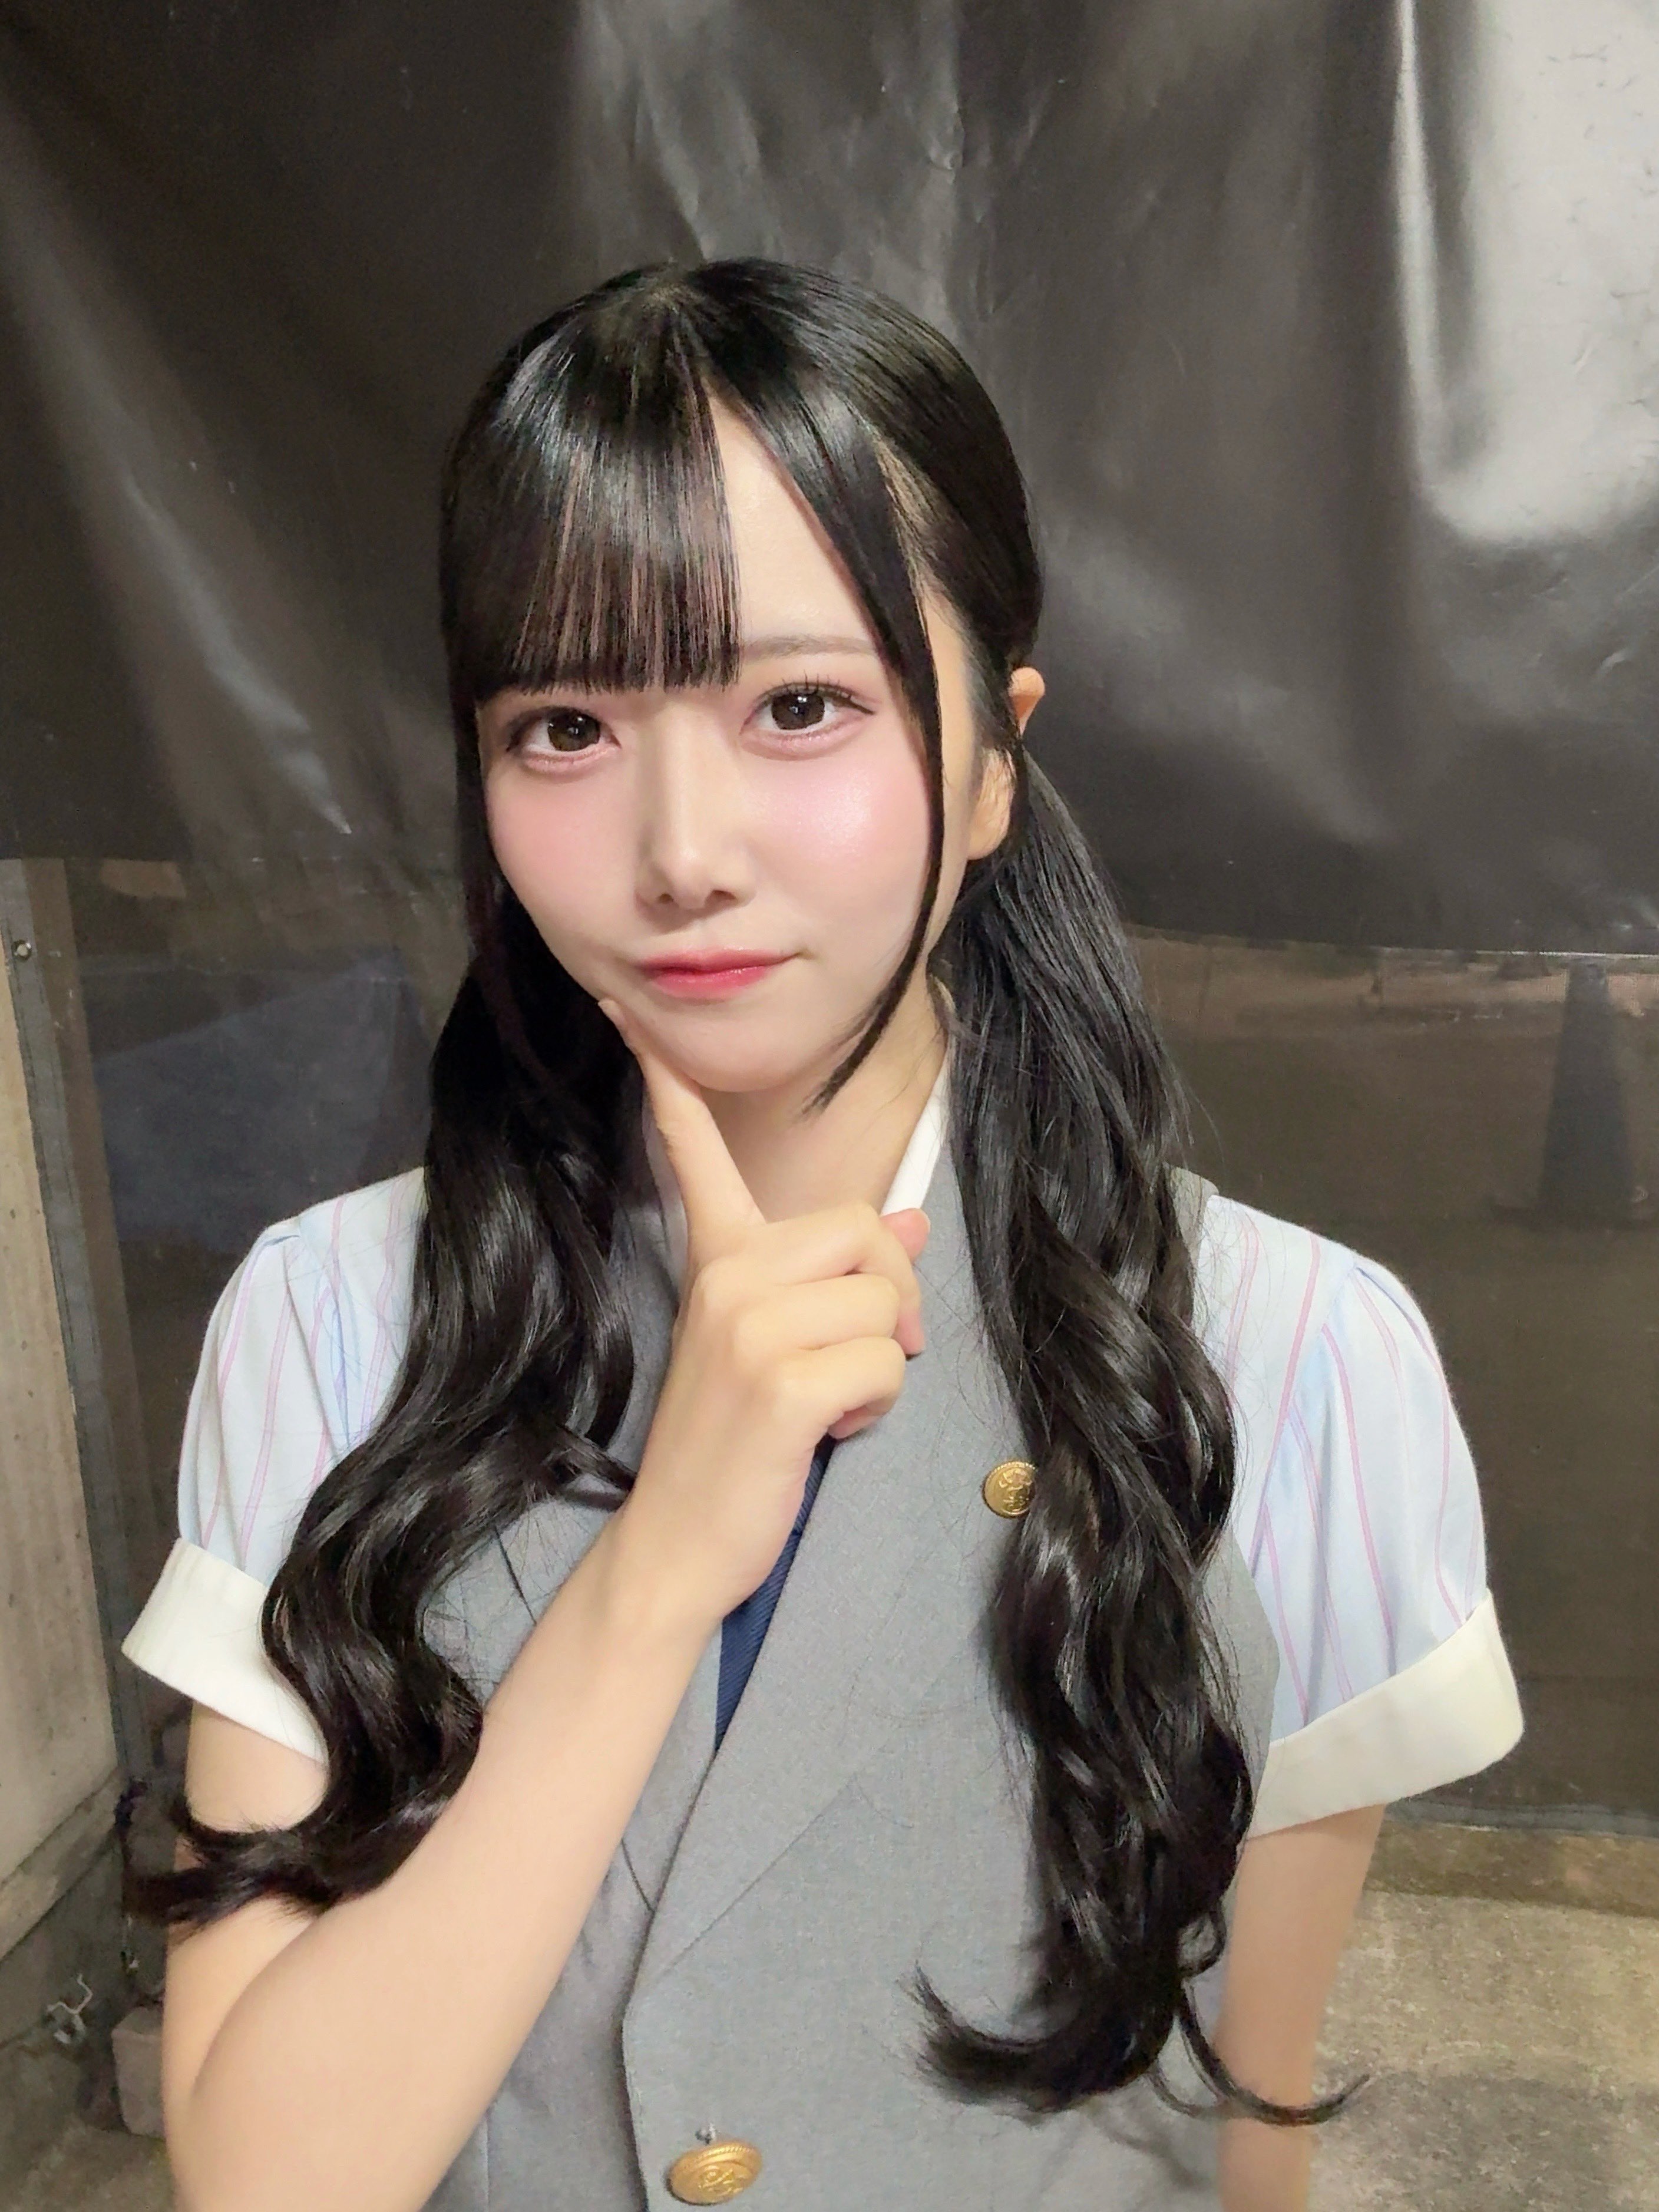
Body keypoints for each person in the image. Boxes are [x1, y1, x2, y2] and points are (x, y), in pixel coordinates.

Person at [120, 259, 1522, 2212]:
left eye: (799, 705)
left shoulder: (1288, 1361)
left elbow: (1240, 2131)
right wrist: (650, 1575)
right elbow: (269, 2186)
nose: (681, 848)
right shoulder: (333, 1325)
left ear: (993, 757)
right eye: (563, 726)